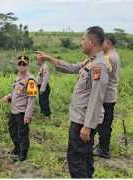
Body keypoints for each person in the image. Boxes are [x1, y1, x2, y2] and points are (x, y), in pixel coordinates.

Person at [36, 26, 109, 178]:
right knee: (85, 157)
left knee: (76, 159)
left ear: (91, 42)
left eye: (83, 39)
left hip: (83, 121)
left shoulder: (99, 66)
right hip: (80, 118)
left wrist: (87, 126)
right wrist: (49, 58)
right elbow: (70, 68)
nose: (80, 42)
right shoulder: (91, 61)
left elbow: (96, 98)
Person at [2, 55, 38, 161]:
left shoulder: (31, 80)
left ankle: (23, 153)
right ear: (17, 65)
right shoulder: (18, 77)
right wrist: (8, 96)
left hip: (22, 111)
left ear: (27, 65)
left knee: (22, 133)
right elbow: (15, 92)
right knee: (12, 130)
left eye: (24, 64)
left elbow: (32, 99)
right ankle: (17, 148)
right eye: (20, 64)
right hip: (14, 110)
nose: (21, 66)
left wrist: (28, 115)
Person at [94, 34, 120, 159]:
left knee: (103, 123)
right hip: (110, 95)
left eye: (102, 42)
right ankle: (102, 146)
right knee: (106, 122)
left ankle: (103, 149)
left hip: (106, 96)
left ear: (108, 43)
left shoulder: (108, 58)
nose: (100, 45)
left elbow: (99, 78)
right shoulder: (114, 55)